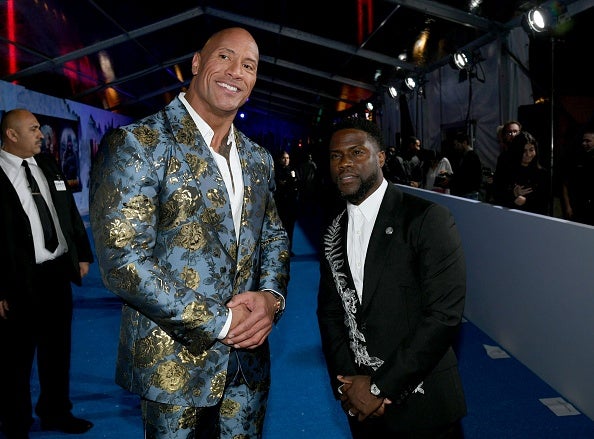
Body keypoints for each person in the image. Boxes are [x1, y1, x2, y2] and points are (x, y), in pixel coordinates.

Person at [89, 27, 290, 439]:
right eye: (225, 57)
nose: (236, 72)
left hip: (248, 363)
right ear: (197, 63)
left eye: (248, 66)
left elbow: (272, 237)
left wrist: (271, 300)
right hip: (171, 365)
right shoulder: (138, 143)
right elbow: (122, 262)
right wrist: (220, 321)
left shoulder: (258, 159)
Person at [317, 118, 467, 438]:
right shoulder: (333, 229)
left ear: (380, 157)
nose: (344, 163)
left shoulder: (427, 219)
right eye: (335, 155)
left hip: (424, 406)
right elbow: (331, 312)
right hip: (361, 409)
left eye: (357, 152)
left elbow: (443, 316)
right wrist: (349, 385)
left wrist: (378, 388)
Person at [0, 108, 94, 439]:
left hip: (56, 274)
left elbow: (67, 209)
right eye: (34, 129)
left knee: (58, 350)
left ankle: (56, 412)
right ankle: (15, 422)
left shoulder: (49, 165)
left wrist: (82, 252)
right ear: (12, 135)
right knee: (16, 358)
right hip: (17, 280)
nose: (42, 134)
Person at [493, 131, 550, 215]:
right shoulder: (506, 170)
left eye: (531, 150)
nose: (528, 154)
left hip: (533, 220)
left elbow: (544, 203)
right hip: (508, 217)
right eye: (524, 151)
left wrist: (526, 201)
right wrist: (513, 194)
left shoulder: (542, 174)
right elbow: (497, 194)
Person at [561, 129, 594, 225]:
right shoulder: (576, 159)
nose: (584, 143)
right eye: (583, 141)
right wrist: (568, 206)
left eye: (588, 141)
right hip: (578, 208)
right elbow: (565, 184)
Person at [274, 150, 300, 254]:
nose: (286, 160)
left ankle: (289, 249)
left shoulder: (292, 170)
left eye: (288, 158)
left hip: (291, 204)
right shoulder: (276, 171)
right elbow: (279, 185)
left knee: (290, 228)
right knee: (281, 228)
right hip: (280, 204)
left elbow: (296, 184)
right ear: (280, 159)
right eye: (284, 158)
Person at [449, 131, 483, 200]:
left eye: (457, 145)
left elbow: (467, 177)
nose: (456, 148)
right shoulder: (464, 156)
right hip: (465, 194)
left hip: (469, 194)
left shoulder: (472, 157)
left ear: (464, 143)